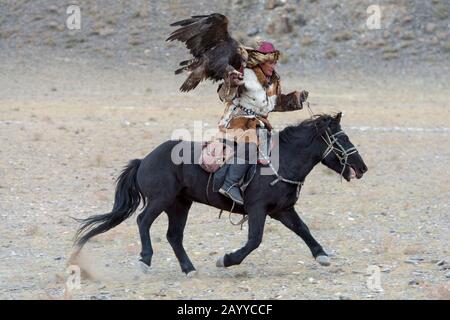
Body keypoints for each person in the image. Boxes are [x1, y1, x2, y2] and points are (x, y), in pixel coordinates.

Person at [216, 41, 309, 205]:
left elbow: (274, 103)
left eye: (275, 63)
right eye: (270, 63)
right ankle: (229, 184)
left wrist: (296, 98)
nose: (273, 66)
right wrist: (231, 83)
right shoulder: (244, 74)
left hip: (259, 124)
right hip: (237, 120)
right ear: (261, 61)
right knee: (251, 145)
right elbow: (225, 96)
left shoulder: (274, 80)